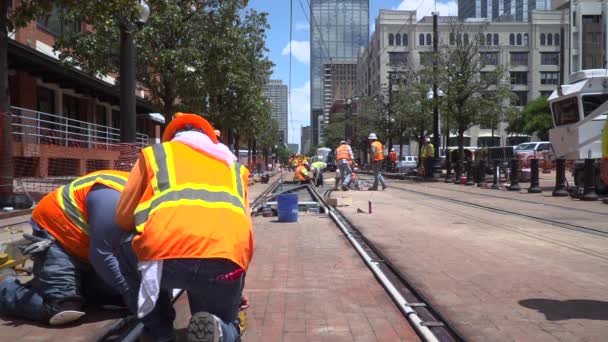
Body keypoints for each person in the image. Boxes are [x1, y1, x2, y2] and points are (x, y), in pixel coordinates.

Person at [115, 112, 253, 342]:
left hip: (167, 257)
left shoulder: (155, 155)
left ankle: (158, 332)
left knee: (125, 244)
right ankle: (220, 329)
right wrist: (237, 286)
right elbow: (244, 230)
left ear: (171, 137)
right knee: (224, 321)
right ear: (212, 138)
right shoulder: (235, 168)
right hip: (225, 260)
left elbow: (123, 217)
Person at [0, 170, 130, 325]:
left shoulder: (156, 207)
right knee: (63, 309)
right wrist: (131, 291)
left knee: (120, 297)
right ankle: (5, 286)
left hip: (90, 248)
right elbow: (102, 254)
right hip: (59, 237)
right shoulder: (113, 196)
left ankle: (76, 286)